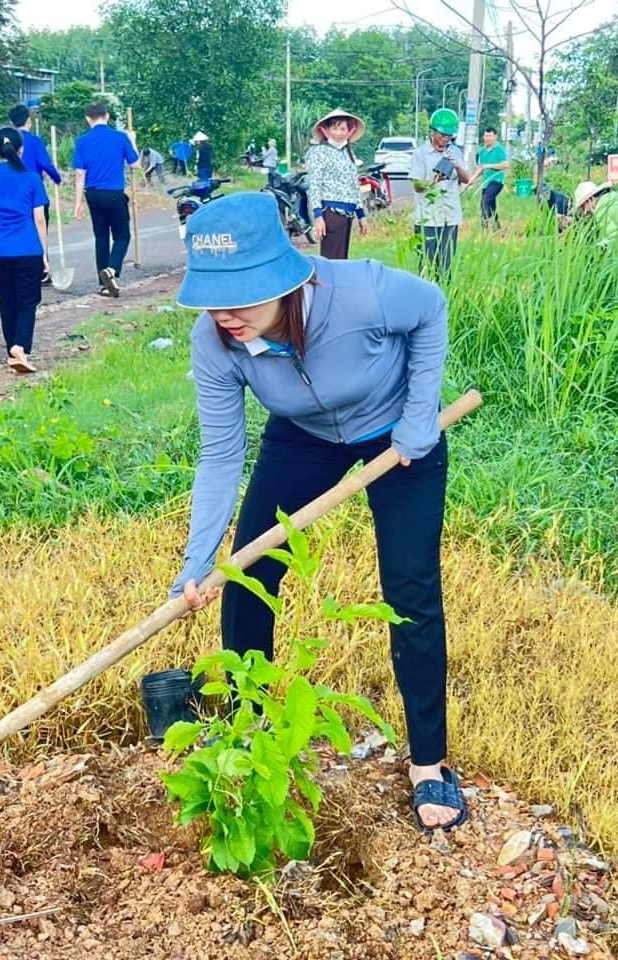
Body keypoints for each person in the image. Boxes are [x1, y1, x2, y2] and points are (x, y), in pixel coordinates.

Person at [170, 191, 467, 835]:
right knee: (247, 575)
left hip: (397, 435)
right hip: (302, 437)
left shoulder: (360, 293)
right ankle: (248, 731)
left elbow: (431, 309)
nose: (224, 315)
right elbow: (221, 455)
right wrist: (198, 562)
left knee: (410, 588)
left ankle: (428, 760)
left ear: (282, 279)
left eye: (240, 298)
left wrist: (419, 417)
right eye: (212, 301)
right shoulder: (215, 341)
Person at [0, 127, 49, 374]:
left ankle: (12, 351)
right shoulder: (31, 178)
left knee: (7, 301)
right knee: (28, 301)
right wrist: (44, 254)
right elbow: (39, 219)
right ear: (21, 149)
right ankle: (20, 347)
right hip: (28, 249)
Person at [73, 102, 140, 298]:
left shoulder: (82, 141)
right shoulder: (120, 137)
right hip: (114, 193)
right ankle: (111, 269)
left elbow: (80, 173)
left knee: (101, 238)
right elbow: (135, 164)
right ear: (107, 116)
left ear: (88, 119)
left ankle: (103, 285)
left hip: (93, 194)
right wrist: (132, 140)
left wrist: (78, 203)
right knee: (122, 236)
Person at [409, 109, 469, 275]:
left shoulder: (455, 151)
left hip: (450, 216)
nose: (445, 139)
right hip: (427, 217)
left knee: (446, 265)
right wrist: (435, 180)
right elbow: (417, 185)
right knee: (427, 264)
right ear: (433, 132)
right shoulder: (420, 154)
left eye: (449, 136)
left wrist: (456, 165)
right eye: (442, 135)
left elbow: (466, 179)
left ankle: (444, 289)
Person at [8, 103, 62, 284]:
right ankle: (41, 271)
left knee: (18, 231)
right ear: (29, 121)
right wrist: (57, 178)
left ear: (11, 122)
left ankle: (20, 271)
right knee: (39, 231)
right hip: (34, 194)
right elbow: (45, 164)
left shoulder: (7, 142)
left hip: (13, 195)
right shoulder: (35, 141)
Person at [305, 108, 368, 259]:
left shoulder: (348, 153)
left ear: (349, 131)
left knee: (341, 260)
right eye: (334, 128)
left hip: (348, 213)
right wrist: (318, 216)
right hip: (331, 212)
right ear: (326, 131)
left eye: (342, 129)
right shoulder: (319, 152)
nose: (339, 133)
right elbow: (315, 185)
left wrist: (361, 216)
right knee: (331, 260)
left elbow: (354, 186)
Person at [468, 127, 508, 229]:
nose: (487, 138)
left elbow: (505, 165)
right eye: (486, 136)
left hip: (497, 181)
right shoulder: (482, 151)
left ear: (495, 136)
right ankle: (496, 226)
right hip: (486, 183)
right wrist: (473, 178)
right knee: (489, 204)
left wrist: (489, 166)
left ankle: (484, 226)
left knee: (485, 200)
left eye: (490, 136)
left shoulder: (499, 149)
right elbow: (481, 168)